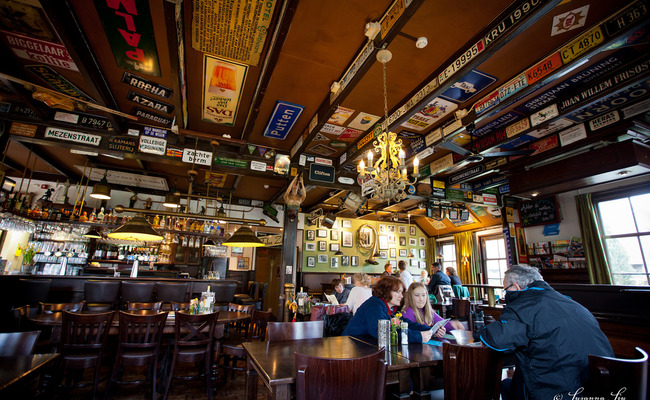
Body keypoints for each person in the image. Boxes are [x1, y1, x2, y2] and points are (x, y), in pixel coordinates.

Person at [480, 265, 614, 400]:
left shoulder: (522, 306)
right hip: (599, 388)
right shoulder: (574, 304)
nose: (506, 294)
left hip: (556, 390)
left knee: (506, 385)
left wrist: (478, 331)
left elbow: (495, 339)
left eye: (506, 290)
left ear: (516, 287)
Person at [343, 276, 433, 343]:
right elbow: (382, 333)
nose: (401, 296)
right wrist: (418, 336)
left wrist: (430, 330)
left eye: (401, 292)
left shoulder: (388, 307)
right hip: (352, 349)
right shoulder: (374, 306)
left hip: (366, 346)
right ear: (385, 291)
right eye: (398, 292)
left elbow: (404, 324)